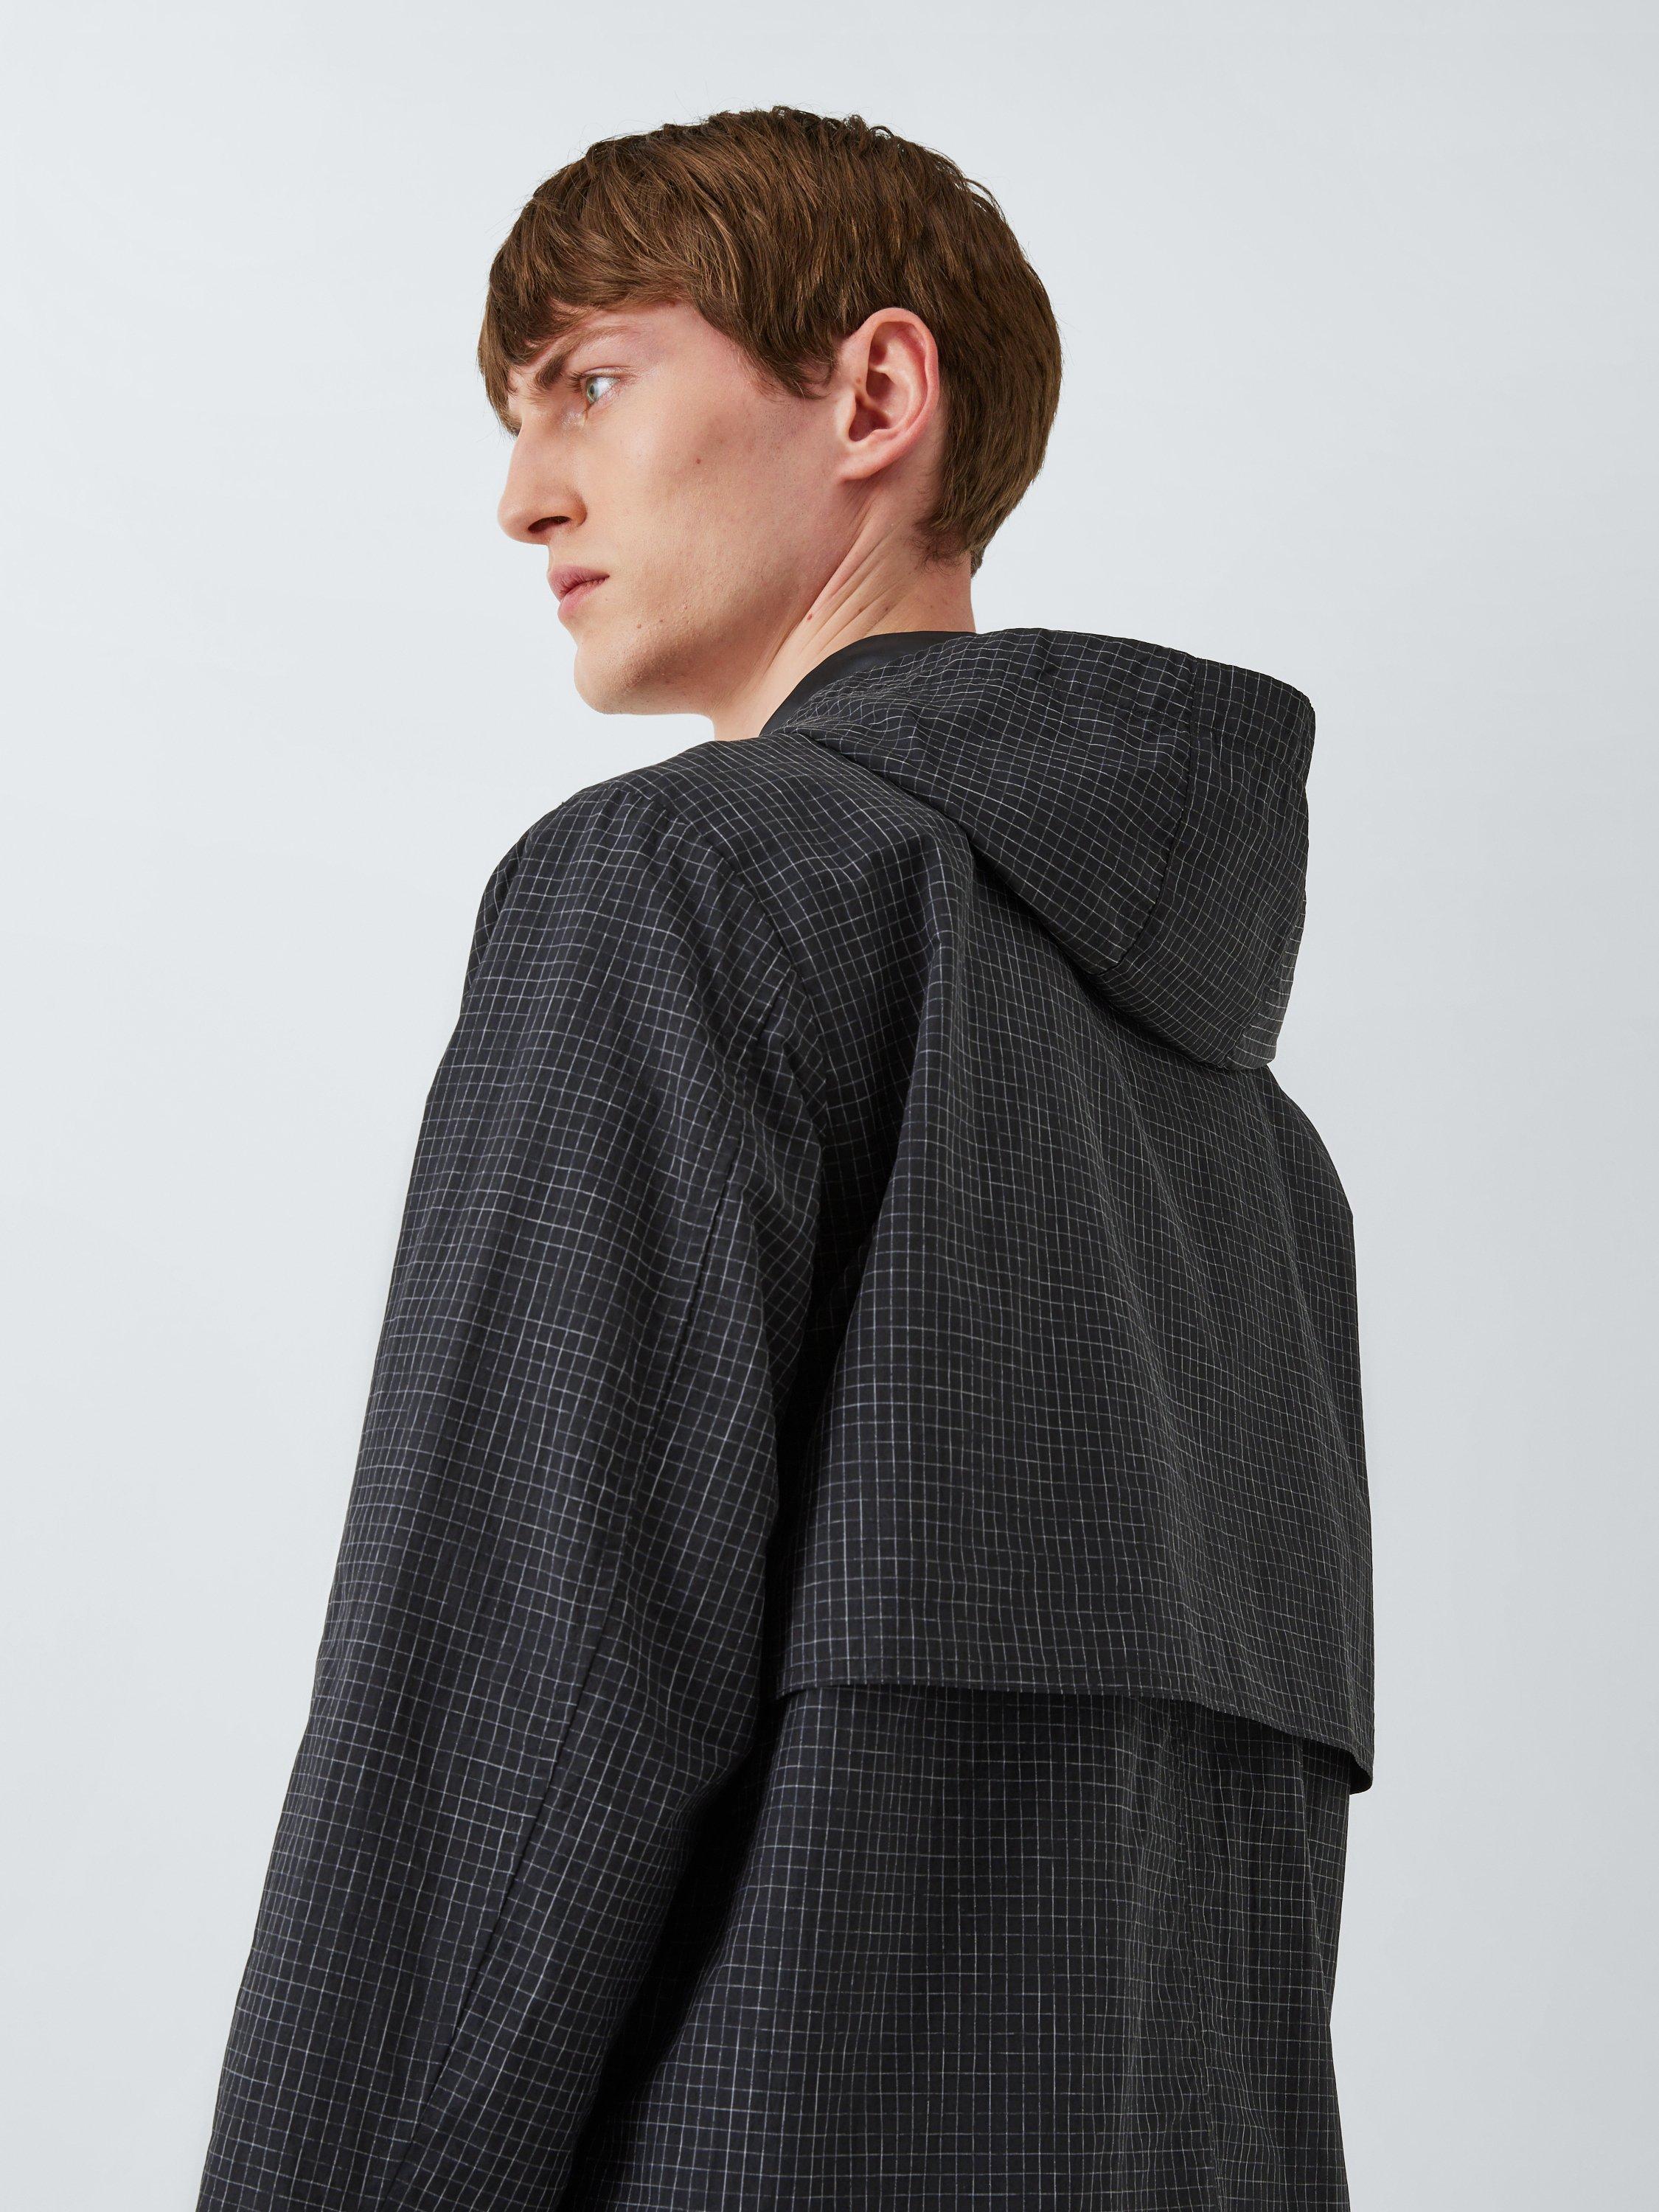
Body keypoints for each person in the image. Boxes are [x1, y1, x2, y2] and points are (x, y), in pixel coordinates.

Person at [195, 105, 1374, 2211]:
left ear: (874, 395)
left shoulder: (694, 886)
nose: (520, 492)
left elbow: (508, 1716)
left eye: (590, 380)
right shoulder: (1253, 1153)